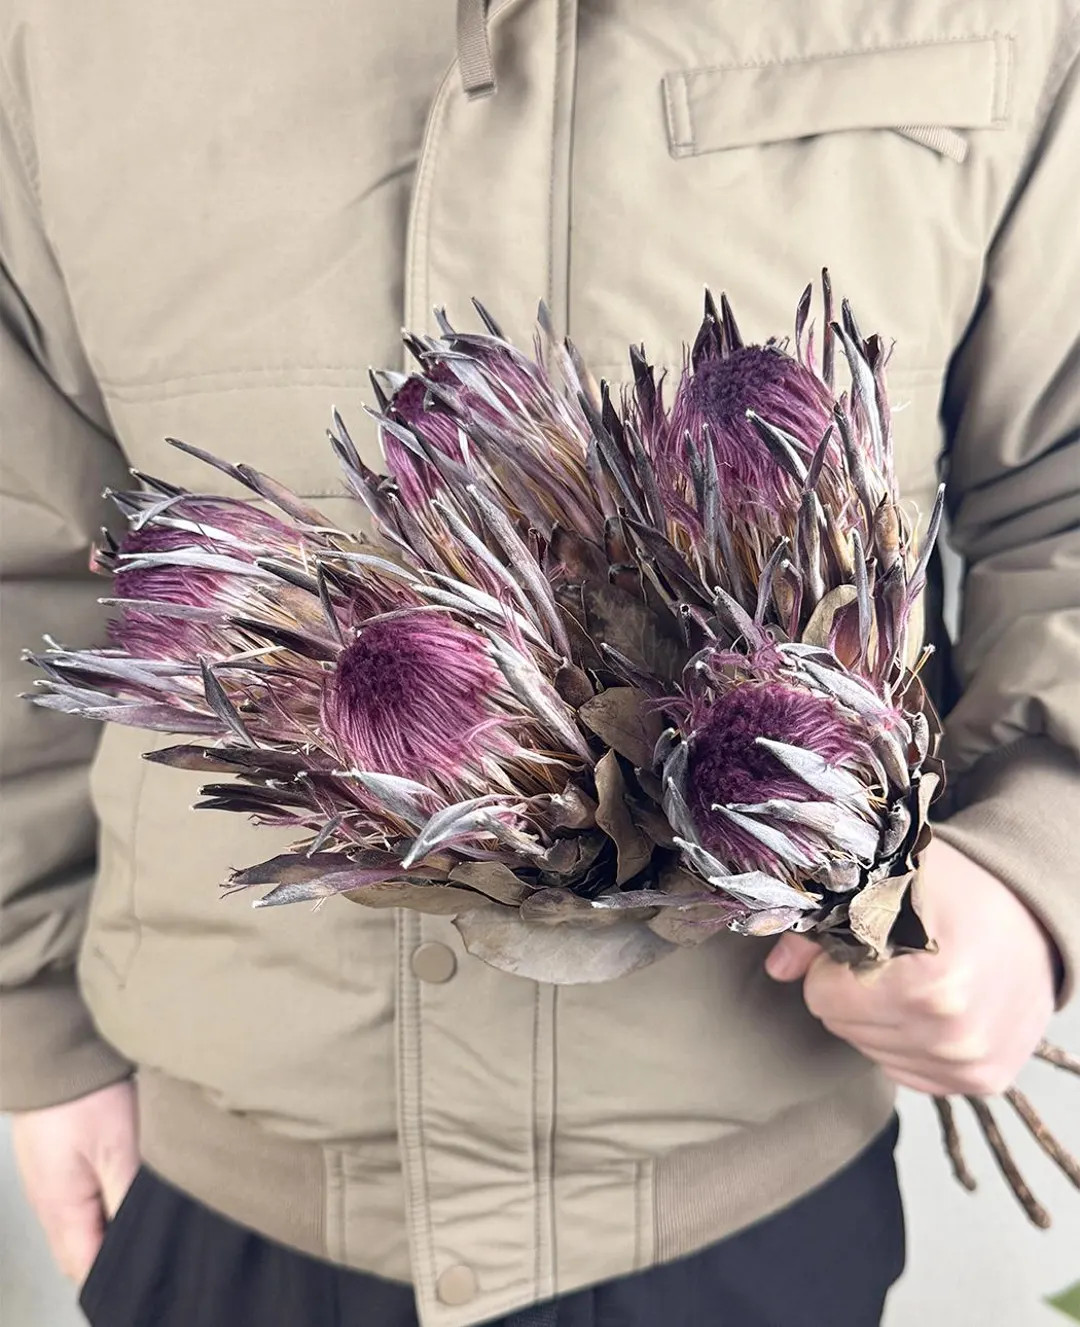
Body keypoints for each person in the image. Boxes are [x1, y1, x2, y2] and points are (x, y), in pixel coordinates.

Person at [1, 4, 1077, 1326]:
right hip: (218, 1191)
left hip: (747, 1208)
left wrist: (1038, 863)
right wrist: (32, 1027)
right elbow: (28, 547)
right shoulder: (58, 32)